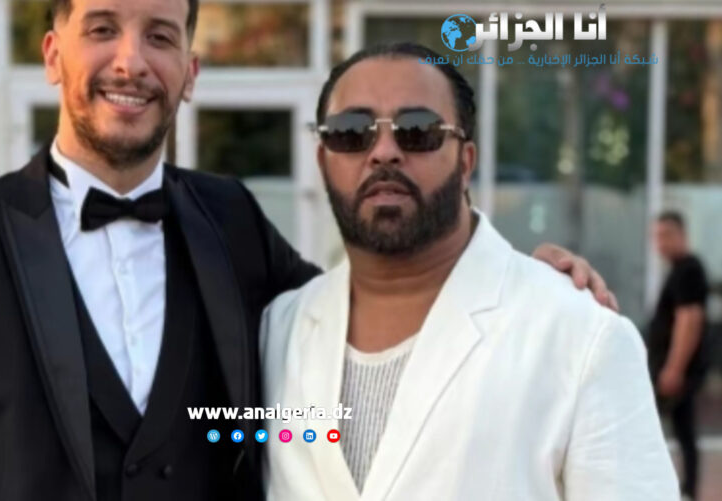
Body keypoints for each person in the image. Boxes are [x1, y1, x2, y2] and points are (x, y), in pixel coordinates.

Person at [0, 0, 610, 501]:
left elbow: (371, 305)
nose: (130, 61)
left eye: (159, 36)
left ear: (189, 72)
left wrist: (513, 279)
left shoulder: (230, 218)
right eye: (102, 29)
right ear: (53, 55)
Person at [260, 42, 679, 500]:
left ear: (465, 162)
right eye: (351, 131)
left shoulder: (579, 334)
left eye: (417, 130)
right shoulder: (276, 330)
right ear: (323, 160)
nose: (383, 152)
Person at [649, 211, 710, 501]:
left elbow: (690, 319)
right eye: (656, 236)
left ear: (681, 235)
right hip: (671, 368)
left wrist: (674, 368)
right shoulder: (678, 270)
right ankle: (687, 489)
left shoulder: (689, 270)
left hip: (677, 371)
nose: (660, 243)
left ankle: (687, 490)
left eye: (666, 235)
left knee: (669, 428)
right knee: (682, 429)